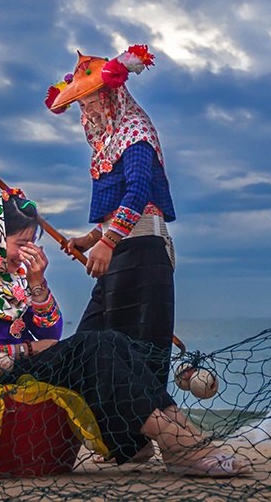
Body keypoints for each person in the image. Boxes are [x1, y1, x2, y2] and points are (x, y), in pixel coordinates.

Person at [0, 190, 249, 477]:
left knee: (111, 341)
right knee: (92, 346)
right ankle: (173, 441)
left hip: (16, 371)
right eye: (21, 244)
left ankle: (177, 430)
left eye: (32, 243)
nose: (27, 252)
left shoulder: (12, 276)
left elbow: (51, 330)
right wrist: (27, 351)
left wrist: (36, 284)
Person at [45, 45, 176, 387]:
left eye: (92, 100)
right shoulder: (110, 139)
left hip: (143, 253)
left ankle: (142, 439)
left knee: (131, 359)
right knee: (90, 344)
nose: (87, 109)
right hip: (118, 253)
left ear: (112, 95)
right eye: (82, 103)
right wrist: (90, 240)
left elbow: (138, 193)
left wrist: (107, 241)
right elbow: (118, 206)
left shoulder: (136, 133)